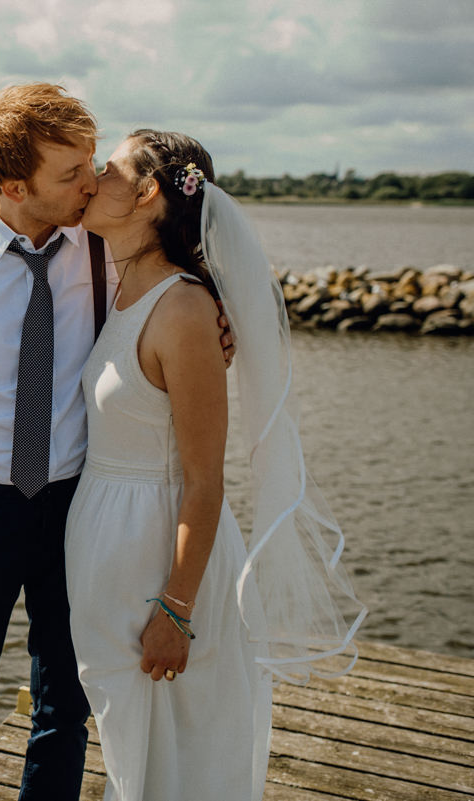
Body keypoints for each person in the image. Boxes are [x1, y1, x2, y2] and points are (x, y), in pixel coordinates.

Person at [0, 84, 233, 800]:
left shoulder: (100, 247)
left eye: (93, 164)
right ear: (13, 185)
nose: (92, 182)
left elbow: (172, 272)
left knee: (66, 710)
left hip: (76, 510)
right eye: (71, 174)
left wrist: (216, 310)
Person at [63, 129, 366, 800]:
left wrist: (177, 609)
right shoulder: (117, 281)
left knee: (184, 751)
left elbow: (205, 477)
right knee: (129, 743)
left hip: (164, 553)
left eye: (105, 168)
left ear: (147, 194)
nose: (89, 179)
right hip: (105, 544)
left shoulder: (184, 310)